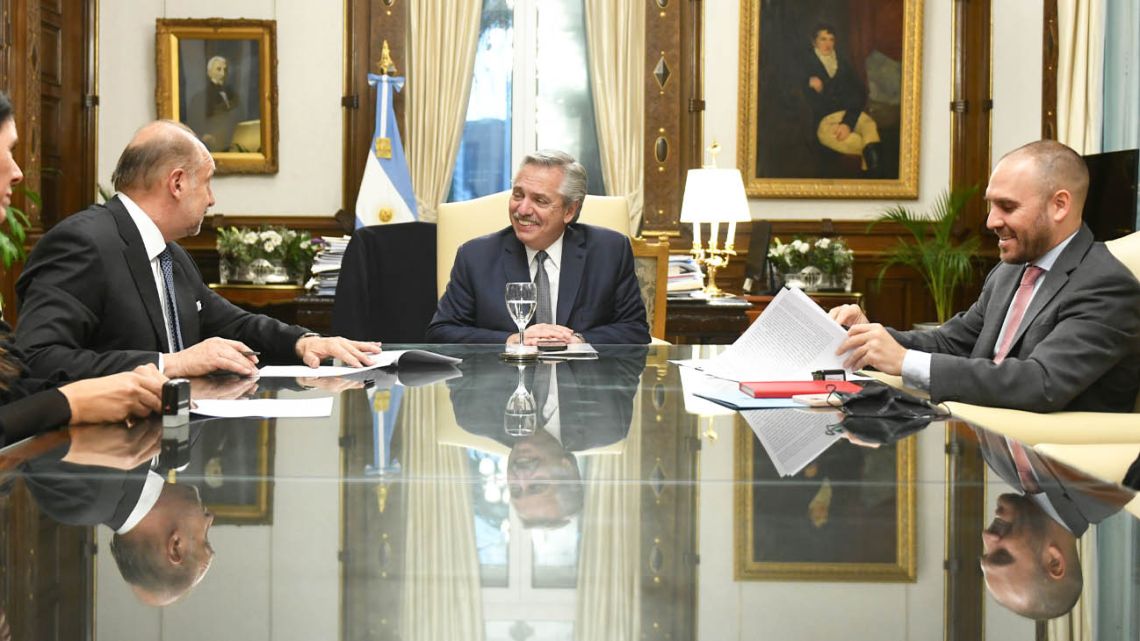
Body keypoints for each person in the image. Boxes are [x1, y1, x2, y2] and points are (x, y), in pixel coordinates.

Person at [15, 119, 381, 382]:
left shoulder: (170, 254)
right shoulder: (83, 243)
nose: (212, 199)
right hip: (99, 464)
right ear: (176, 182)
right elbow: (39, 359)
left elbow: (233, 322)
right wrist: (168, 364)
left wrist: (303, 342)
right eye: (207, 183)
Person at [831, 140, 1140, 412]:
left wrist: (905, 361)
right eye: (991, 205)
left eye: (1007, 206)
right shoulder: (1010, 271)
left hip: (1050, 462)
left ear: (1059, 205)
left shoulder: (1106, 285)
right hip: (980, 437)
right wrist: (867, 337)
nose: (991, 221)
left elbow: (1042, 383)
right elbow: (952, 342)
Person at [0, 91, 165, 442]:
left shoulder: (173, 255)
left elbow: (15, 387)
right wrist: (70, 402)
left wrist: (116, 385)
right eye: (9, 150)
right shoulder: (82, 242)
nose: (17, 173)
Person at [426, 150, 650, 345]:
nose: (522, 209)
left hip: (584, 388)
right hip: (502, 386)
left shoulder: (610, 251)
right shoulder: (476, 256)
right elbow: (442, 332)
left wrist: (578, 341)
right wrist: (513, 339)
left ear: (570, 211)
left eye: (540, 201)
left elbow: (634, 329)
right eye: (518, 195)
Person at [23, 423, 216, 606]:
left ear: (175, 546)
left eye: (204, 540)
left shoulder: (82, 501)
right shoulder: (179, 448)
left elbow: (28, 416)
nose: (210, 519)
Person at [447, 348, 645, 527]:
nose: (520, 476)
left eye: (516, 490)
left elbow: (450, 342)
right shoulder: (608, 422)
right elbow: (631, 350)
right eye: (537, 485)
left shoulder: (472, 414)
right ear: (566, 468)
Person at [974, 427, 1133, 619]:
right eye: (1001, 556)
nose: (988, 537)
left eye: (987, 552)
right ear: (1054, 561)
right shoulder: (1107, 489)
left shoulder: (997, 463)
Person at [803, 24, 882, 175]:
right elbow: (785, 84)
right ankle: (875, 174)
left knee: (869, 126)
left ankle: (875, 175)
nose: (828, 44)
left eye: (831, 39)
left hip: (849, 113)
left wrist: (847, 123)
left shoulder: (843, 63)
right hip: (825, 121)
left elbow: (860, 92)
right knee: (865, 144)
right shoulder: (805, 63)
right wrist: (806, 81)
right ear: (814, 42)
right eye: (823, 39)